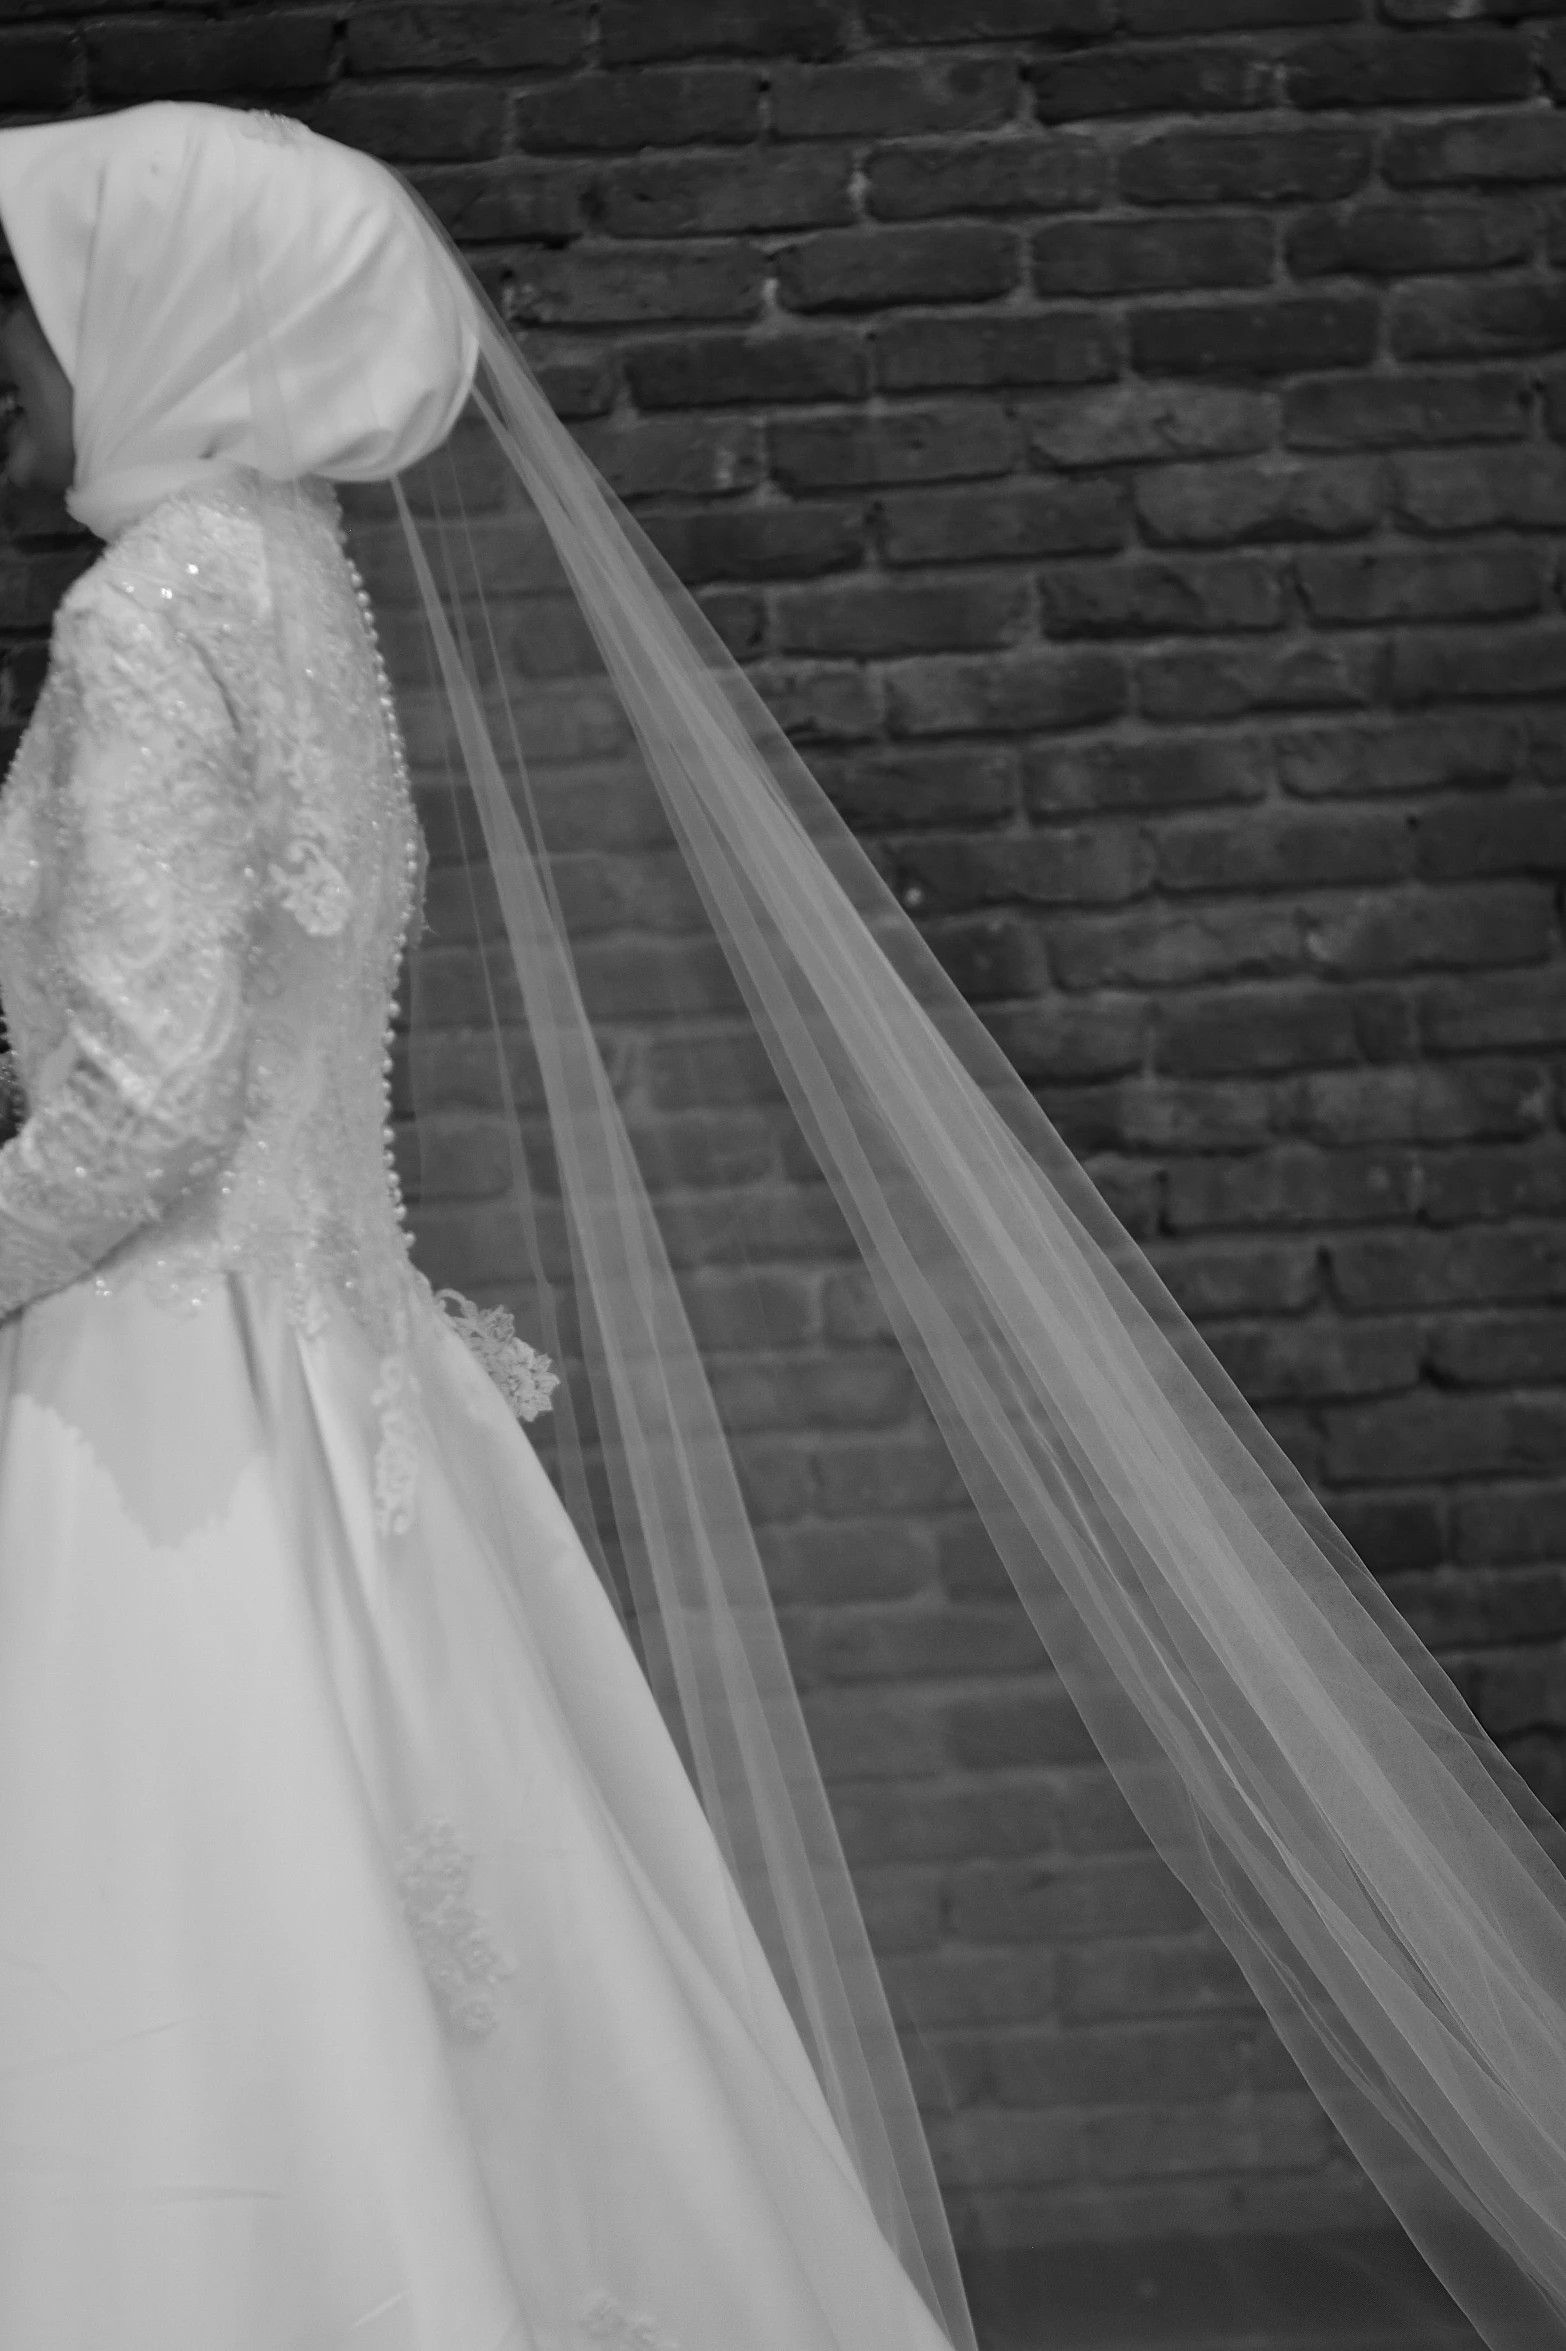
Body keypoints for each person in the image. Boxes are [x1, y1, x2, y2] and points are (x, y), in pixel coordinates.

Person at [0, 100, 1561, 2351]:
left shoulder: (149, 612)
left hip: (176, 1413)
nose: (15, 350)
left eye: (44, 295)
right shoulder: (299, 582)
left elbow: (145, 1098)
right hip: (349, 1387)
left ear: (164, 317)